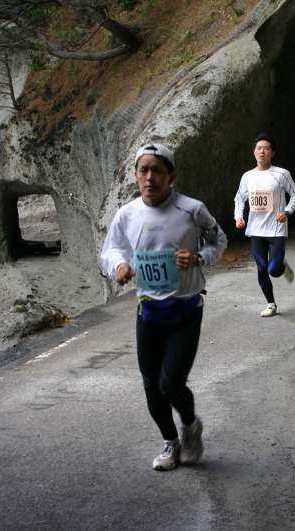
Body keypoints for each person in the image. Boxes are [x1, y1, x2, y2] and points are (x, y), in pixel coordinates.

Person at [101, 143, 227, 471]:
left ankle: (190, 427)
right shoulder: (127, 214)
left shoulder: (192, 210)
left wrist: (199, 257)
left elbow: (219, 240)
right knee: (151, 387)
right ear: (135, 175)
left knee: (169, 384)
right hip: (148, 312)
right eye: (143, 170)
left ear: (171, 176)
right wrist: (118, 266)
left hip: (186, 311)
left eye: (157, 170)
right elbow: (111, 249)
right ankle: (171, 443)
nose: (150, 177)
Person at [233, 134, 295, 317]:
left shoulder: (281, 174)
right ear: (254, 152)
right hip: (256, 230)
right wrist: (238, 217)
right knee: (262, 269)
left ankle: (281, 267)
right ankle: (271, 304)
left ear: (272, 153)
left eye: (266, 148)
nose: (262, 151)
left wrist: (287, 212)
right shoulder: (247, 176)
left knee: (274, 270)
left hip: (276, 229)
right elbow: (239, 199)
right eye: (258, 148)